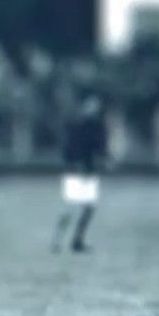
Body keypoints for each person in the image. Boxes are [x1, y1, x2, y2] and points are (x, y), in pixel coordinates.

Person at [52, 93, 109, 253]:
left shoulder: (96, 126)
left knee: (88, 208)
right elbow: (70, 150)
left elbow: (100, 148)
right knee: (71, 207)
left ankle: (77, 240)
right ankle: (58, 240)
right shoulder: (78, 125)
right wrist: (76, 166)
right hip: (77, 170)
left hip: (88, 170)